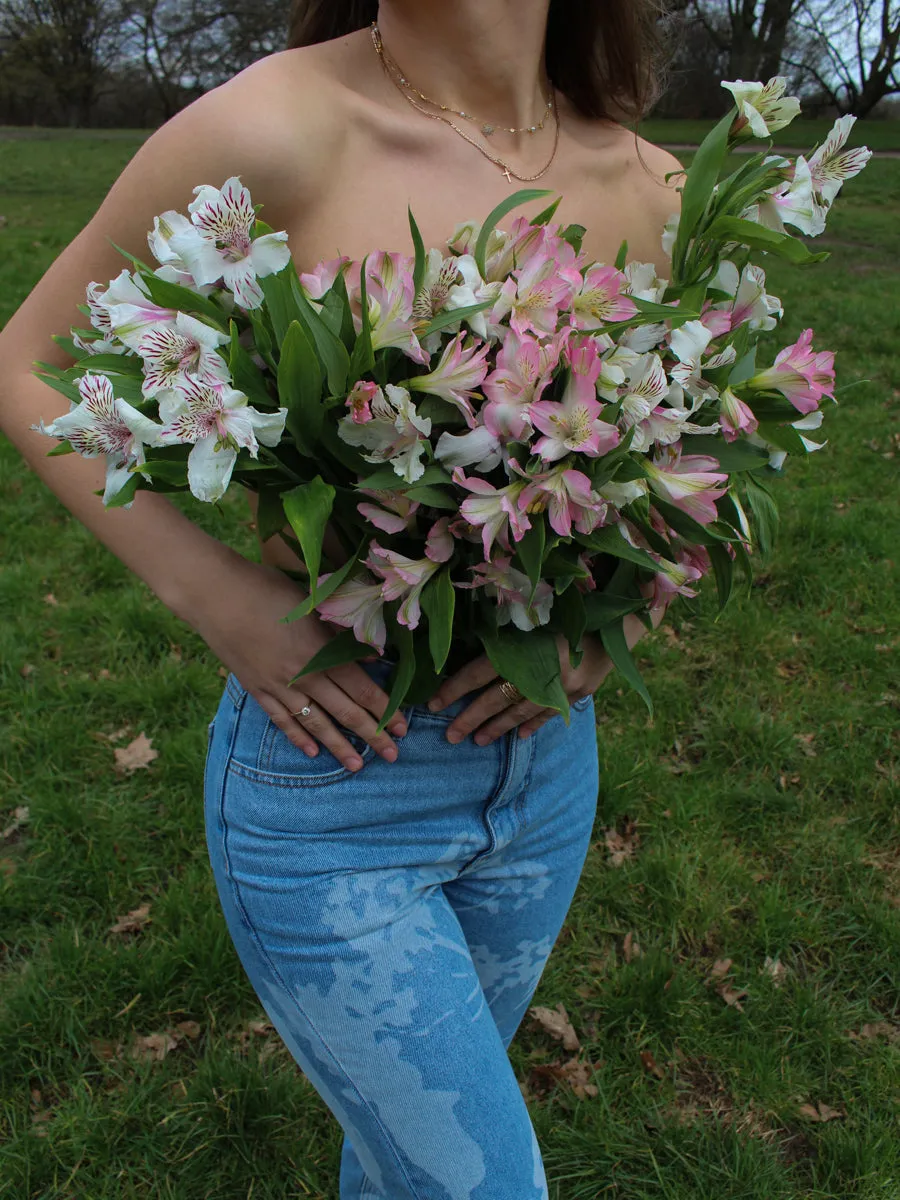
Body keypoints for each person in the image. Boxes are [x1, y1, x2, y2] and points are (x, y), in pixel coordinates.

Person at [0, 2, 681, 1195]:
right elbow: (29, 358)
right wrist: (215, 592)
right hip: (335, 778)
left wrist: (627, 612)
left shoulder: (652, 180)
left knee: (398, 1170)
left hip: (544, 772)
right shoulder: (279, 127)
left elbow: (683, 454)